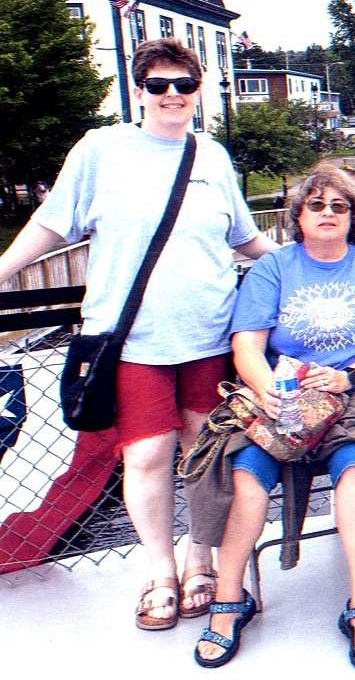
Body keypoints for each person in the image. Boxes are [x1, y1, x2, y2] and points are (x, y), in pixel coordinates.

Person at [0, 38, 276, 630]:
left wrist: (314, 264)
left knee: (204, 452)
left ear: (198, 90)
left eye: (183, 84)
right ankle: (159, 569)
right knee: (146, 454)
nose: (172, 95)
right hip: (131, 341)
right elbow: (51, 224)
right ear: (139, 90)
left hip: (209, 333)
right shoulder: (102, 150)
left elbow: (246, 239)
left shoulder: (213, 158)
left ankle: (199, 558)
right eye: (158, 85)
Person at [193, 164, 355, 670]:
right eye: (317, 205)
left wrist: (349, 377)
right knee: (246, 476)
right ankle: (230, 602)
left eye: (340, 206)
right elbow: (246, 343)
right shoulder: (273, 269)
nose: (328, 213)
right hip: (284, 394)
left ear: (354, 216)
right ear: (298, 215)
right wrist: (266, 389)